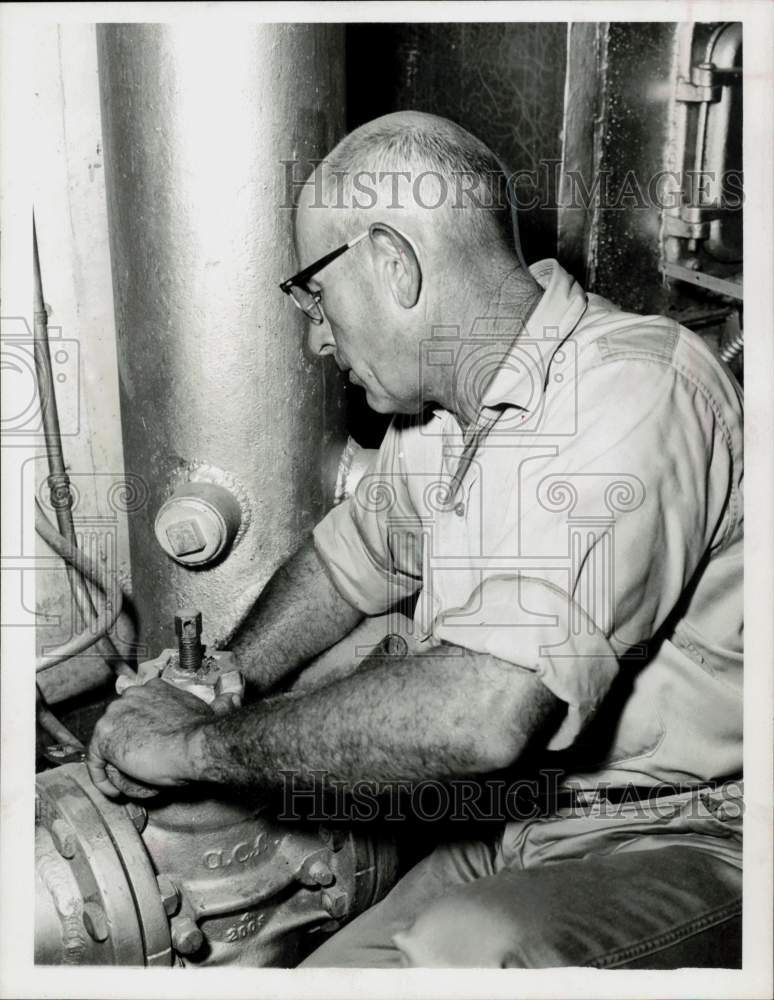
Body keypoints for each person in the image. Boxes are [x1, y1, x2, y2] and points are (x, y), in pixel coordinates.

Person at [87, 112, 744, 968]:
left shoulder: (633, 389)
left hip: (696, 835)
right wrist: (222, 681)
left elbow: (484, 715)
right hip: (523, 826)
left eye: (315, 297)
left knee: (463, 949)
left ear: (394, 263)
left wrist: (190, 748)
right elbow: (341, 565)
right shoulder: (444, 423)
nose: (315, 337)